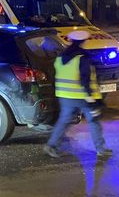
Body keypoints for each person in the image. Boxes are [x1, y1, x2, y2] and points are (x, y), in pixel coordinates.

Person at [43, 30, 113, 158]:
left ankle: (51, 146)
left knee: (64, 121)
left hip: (64, 96)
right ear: (83, 42)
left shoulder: (60, 57)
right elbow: (85, 79)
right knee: (93, 121)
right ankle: (101, 149)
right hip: (82, 97)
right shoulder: (82, 58)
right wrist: (91, 98)